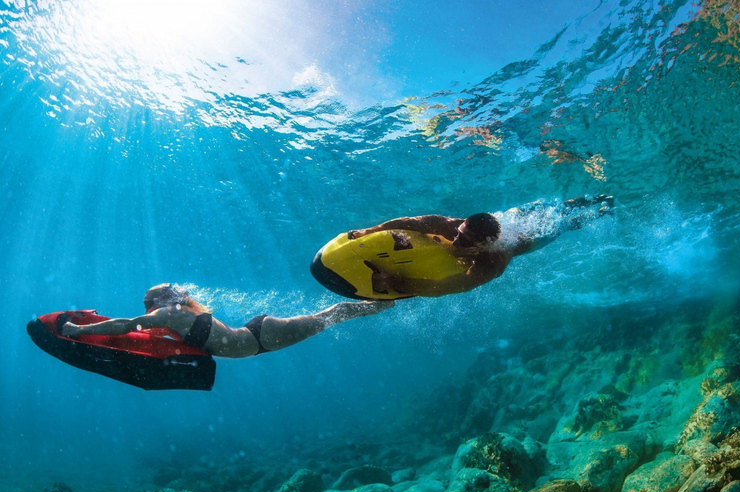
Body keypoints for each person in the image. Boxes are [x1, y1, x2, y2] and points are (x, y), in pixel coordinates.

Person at [346, 194, 614, 297]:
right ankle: (586, 199)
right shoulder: (451, 225)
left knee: (560, 224)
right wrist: (371, 231)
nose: (456, 240)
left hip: (531, 237)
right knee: (543, 208)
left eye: (465, 241)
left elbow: (448, 287)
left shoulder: (493, 261)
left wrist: (396, 281)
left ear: (484, 245)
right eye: (460, 233)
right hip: (507, 218)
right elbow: (410, 222)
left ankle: (597, 208)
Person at [61, 283, 393, 357]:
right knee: (327, 319)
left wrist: (80, 329)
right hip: (258, 336)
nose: (145, 309)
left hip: (263, 337)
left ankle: (379, 301)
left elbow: (122, 325)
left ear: (158, 303)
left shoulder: (169, 314)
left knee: (329, 318)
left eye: (147, 303)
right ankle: (376, 301)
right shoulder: (176, 317)